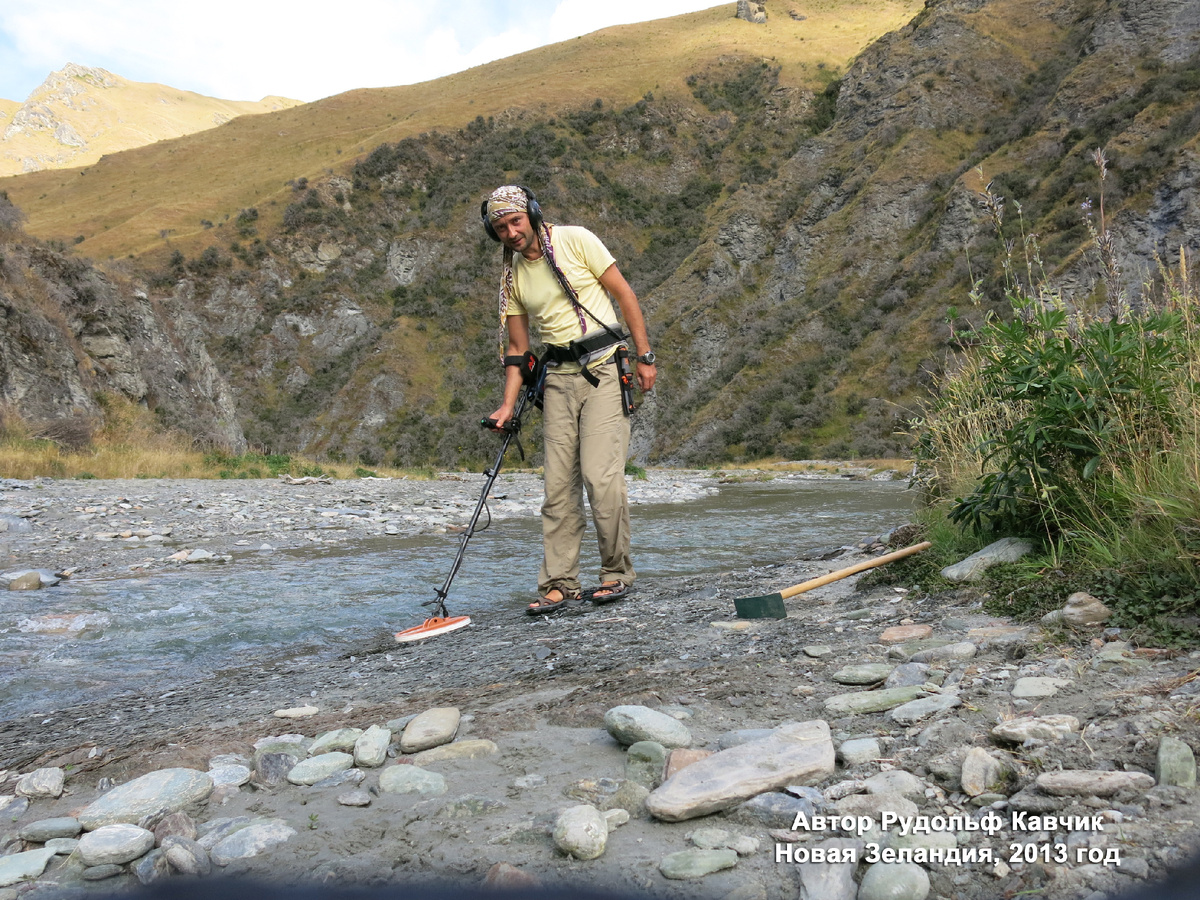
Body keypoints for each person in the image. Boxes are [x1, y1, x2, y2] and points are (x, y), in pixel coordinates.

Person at [482, 185, 657, 614]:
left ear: (532, 214)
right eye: (501, 227)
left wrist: (645, 357)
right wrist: (506, 404)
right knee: (557, 488)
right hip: (557, 381)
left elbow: (624, 295)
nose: (510, 232)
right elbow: (519, 350)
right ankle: (560, 583)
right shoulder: (512, 276)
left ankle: (616, 573)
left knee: (601, 477)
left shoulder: (577, 239)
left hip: (604, 369)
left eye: (516, 221)